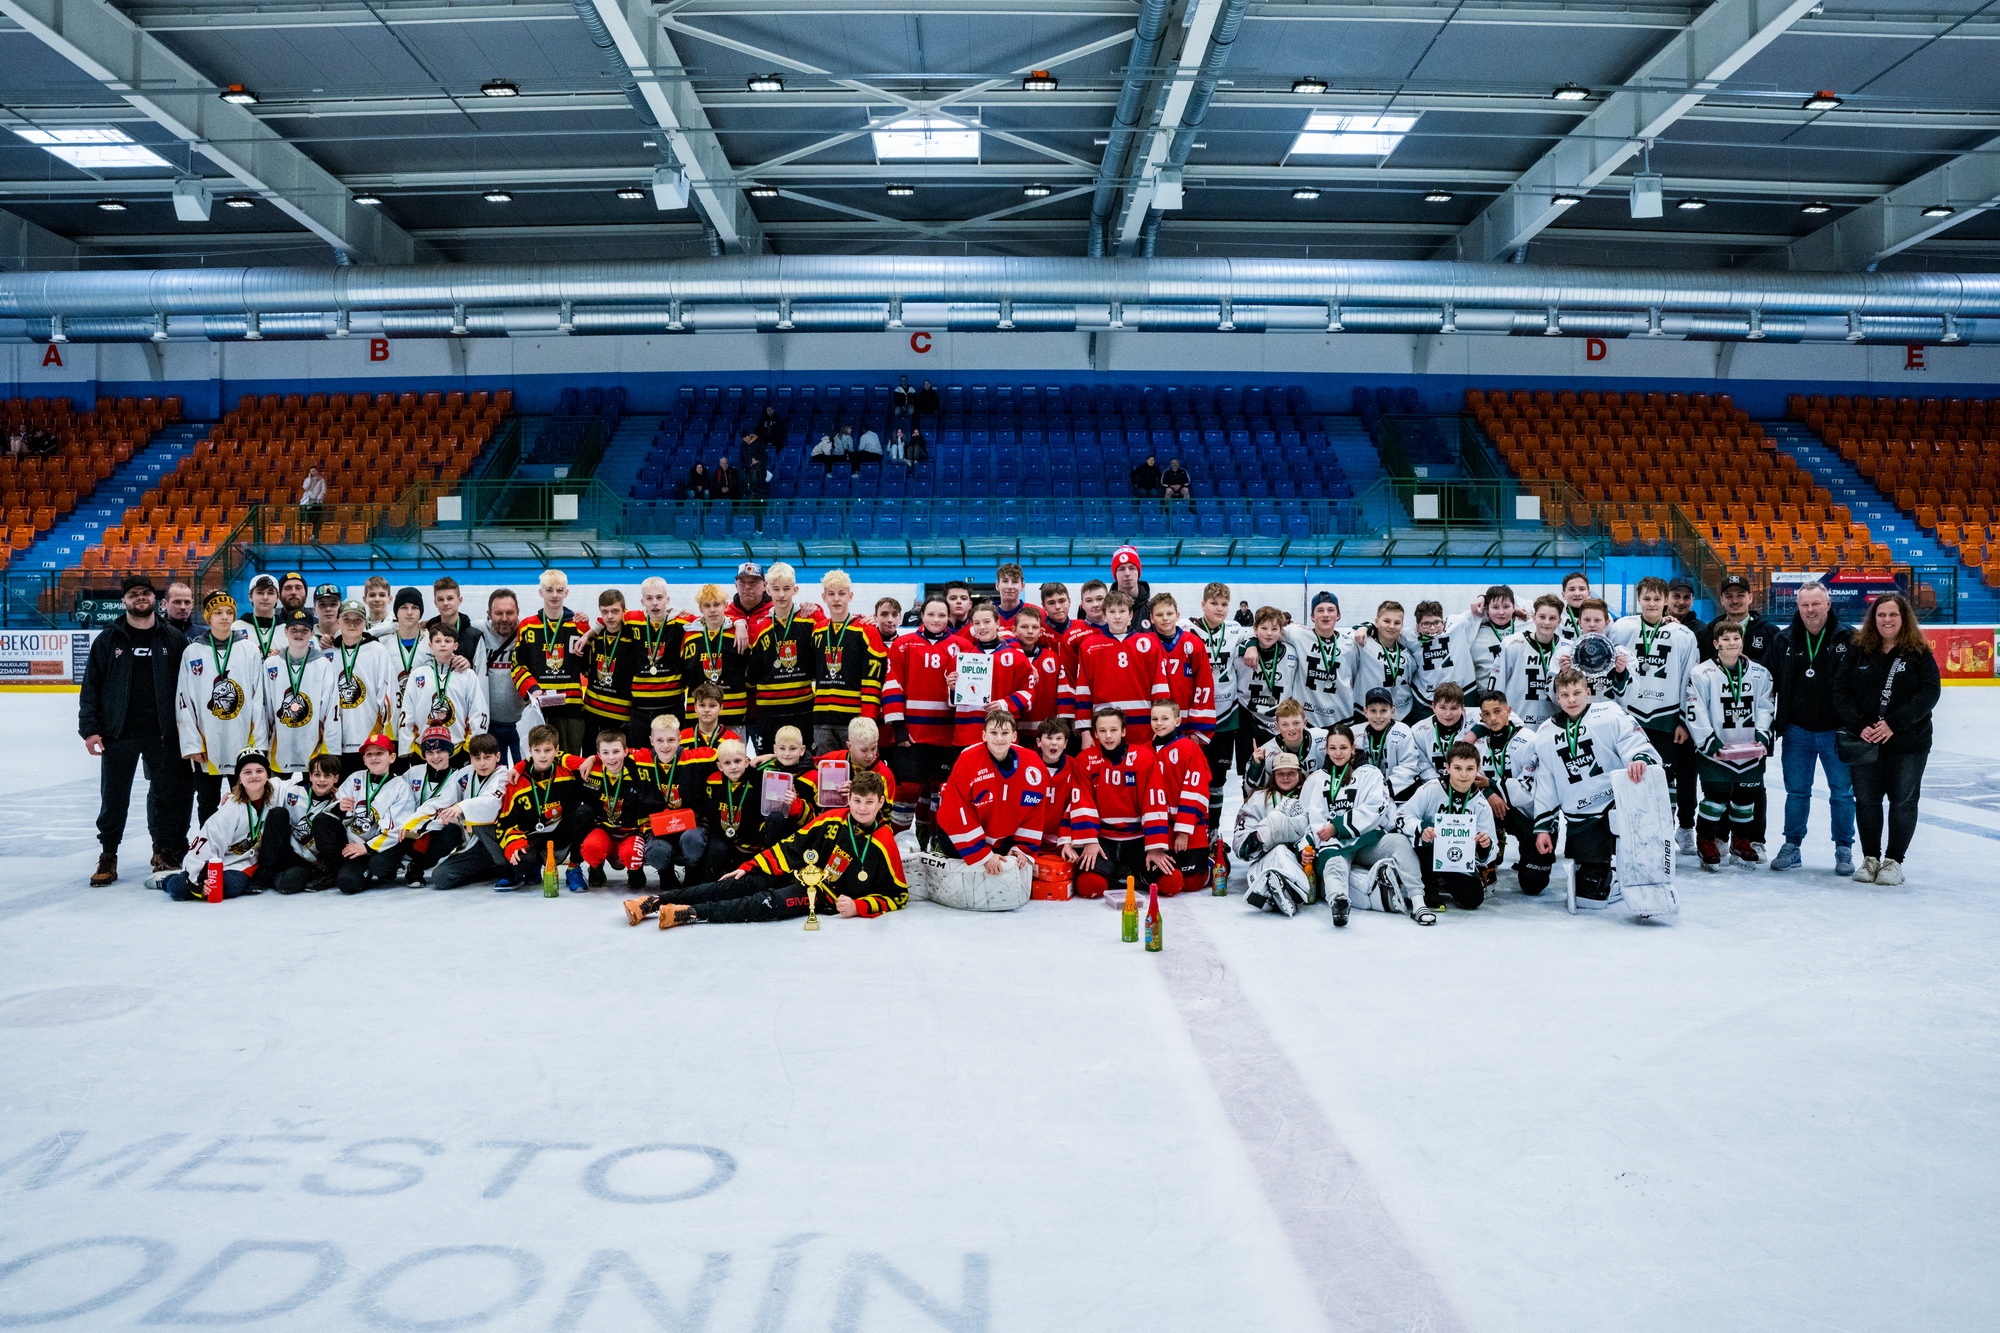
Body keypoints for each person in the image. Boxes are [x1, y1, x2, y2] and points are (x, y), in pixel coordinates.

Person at [624, 771, 906, 928]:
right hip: (795, 872)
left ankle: (688, 913)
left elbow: (898, 895)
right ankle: (655, 901)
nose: (862, 808)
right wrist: (750, 866)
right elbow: (792, 845)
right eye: (857, 801)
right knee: (733, 884)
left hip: (819, 895)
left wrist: (859, 906)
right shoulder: (833, 818)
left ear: (881, 802)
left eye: (869, 802)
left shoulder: (884, 841)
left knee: (764, 904)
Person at [80, 573, 193, 884]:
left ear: (155, 599)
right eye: (134, 594)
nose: (140, 598)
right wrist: (89, 729)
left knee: (165, 796)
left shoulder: (172, 638)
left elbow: (188, 688)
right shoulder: (108, 639)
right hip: (119, 734)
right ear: (124, 600)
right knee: (114, 797)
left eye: (145, 593)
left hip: (163, 734)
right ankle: (108, 855)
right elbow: (91, 686)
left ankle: (162, 852)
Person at [1529, 668, 1661, 912]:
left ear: (1588, 692)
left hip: (1616, 803)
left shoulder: (1609, 713)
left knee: (1632, 861)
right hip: (1580, 814)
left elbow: (1632, 740)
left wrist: (1639, 758)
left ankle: (1626, 872)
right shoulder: (1545, 733)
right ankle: (1601, 869)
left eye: (1577, 693)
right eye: (1565, 694)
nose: (1571, 699)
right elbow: (1546, 783)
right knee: (1590, 896)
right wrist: (1543, 828)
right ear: (1557, 698)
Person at [1835, 592, 1940, 886]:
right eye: (1881, 614)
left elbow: (1929, 693)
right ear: (1873, 618)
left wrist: (1893, 723)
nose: (1887, 620)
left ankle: (1894, 861)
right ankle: (1870, 859)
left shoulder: (1918, 651)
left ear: (1903, 618)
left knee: (1903, 801)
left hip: (1909, 742)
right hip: (1865, 741)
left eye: (1893, 614)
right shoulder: (1858, 649)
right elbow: (1841, 691)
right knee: (1866, 800)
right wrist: (1859, 726)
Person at [1766, 581, 1855, 875]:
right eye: (1804, 605)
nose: (1810, 610)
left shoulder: (1850, 638)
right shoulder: (1785, 639)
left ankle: (1844, 849)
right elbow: (1767, 681)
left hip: (1837, 733)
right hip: (1797, 730)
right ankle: (1792, 846)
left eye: (1816, 604)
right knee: (1797, 792)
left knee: (1842, 793)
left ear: (1828, 605)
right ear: (1798, 608)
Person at [1608, 576, 1701, 848]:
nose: (1651, 603)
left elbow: (1689, 678)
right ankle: (1628, 832)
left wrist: (1683, 720)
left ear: (1666, 602)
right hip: (1628, 714)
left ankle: (1664, 832)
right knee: (1627, 775)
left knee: (1664, 779)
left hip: (1665, 716)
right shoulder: (1622, 627)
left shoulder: (1683, 635)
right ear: (1639, 599)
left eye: (1657, 599)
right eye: (1646, 598)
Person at [1302, 724, 1421, 925]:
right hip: (1334, 844)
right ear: (1327, 749)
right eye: (1332, 748)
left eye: (1343, 747)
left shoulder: (1370, 773)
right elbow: (1310, 818)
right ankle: (1339, 903)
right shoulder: (1316, 779)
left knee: (1399, 842)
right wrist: (1306, 847)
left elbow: (1376, 807)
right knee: (1334, 863)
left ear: (1353, 748)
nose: (1338, 753)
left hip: (1367, 840)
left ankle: (1418, 901)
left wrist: (1337, 826)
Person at [1684, 621, 1776, 870]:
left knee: (1746, 799)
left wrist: (1763, 735)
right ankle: (1706, 840)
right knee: (1715, 798)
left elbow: (1766, 706)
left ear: (1742, 641)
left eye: (1736, 638)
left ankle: (1741, 841)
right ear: (1716, 644)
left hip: (1750, 750)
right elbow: (1695, 708)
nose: (1731, 643)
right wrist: (1708, 740)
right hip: (1716, 750)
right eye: (1725, 639)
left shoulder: (1759, 673)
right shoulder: (1701, 673)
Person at [932, 708, 1045, 911]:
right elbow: (955, 810)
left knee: (1009, 860)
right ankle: (941, 847)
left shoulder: (1033, 765)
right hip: (958, 835)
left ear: (1015, 736)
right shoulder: (968, 759)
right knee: (959, 851)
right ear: (984, 735)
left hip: (999, 837)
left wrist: (1022, 848)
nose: (999, 739)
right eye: (993, 733)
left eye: (1005, 733)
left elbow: (1034, 809)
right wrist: (982, 854)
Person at [176, 591, 268, 824]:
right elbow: (183, 700)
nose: (224, 617)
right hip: (208, 743)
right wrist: (192, 743)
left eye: (229, 612)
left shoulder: (248, 649)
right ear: (208, 617)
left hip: (242, 740)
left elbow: (259, 697)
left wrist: (257, 740)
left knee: (247, 798)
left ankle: (246, 848)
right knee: (207, 801)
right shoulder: (193, 652)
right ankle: (209, 852)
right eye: (218, 613)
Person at [146, 752, 282, 901]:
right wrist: (197, 878)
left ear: (267, 775)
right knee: (183, 890)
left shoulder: (276, 792)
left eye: (259, 771)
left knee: (230, 887)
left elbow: (303, 788)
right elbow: (206, 844)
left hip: (245, 863)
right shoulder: (231, 810)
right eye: (247, 772)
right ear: (240, 779)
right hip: (222, 861)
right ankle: (167, 880)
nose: (254, 776)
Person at [1061, 706, 1160, 899]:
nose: (1108, 736)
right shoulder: (1085, 760)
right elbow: (1082, 801)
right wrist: (1089, 840)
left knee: (1171, 883)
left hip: (1137, 838)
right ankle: (1122, 874)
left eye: (1113, 730)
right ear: (1095, 733)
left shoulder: (1144, 758)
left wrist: (1155, 846)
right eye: (1103, 731)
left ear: (1123, 731)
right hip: (1103, 839)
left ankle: (1130, 873)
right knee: (1090, 887)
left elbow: (1154, 802)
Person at [882, 595, 959, 835]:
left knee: (937, 791)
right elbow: (892, 685)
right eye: (931, 614)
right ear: (922, 616)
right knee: (908, 789)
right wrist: (898, 728)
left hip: (947, 735)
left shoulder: (961, 646)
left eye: (942, 615)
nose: (936, 620)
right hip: (913, 734)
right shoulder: (903, 644)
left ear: (949, 617)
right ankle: (896, 841)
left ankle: (930, 840)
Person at [1403, 741, 1500, 910]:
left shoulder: (1481, 805)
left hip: (1457, 859)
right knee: (1425, 837)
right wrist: (1421, 828)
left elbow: (1493, 850)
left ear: (1478, 769)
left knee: (1473, 899)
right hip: (1426, 853)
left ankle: (1443, 880)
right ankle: (1428, 885)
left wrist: (1486, 845)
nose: (1463, 774)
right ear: (1447, 767)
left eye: (1470, 769)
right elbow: (1402, 816)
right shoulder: (1431, 788)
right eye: (1457, 768)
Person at [414, 735, 517, 892]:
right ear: (471, 758)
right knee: (440, 878)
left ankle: (507, 869)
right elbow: (442, 799)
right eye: (477, 758)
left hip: (499, 841)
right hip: (476, 846)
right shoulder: (464, 774)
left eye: (487, 757)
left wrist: (462, 807)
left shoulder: (504, 776)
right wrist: (413, 821)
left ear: (497, 756)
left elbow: (491, 802)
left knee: (478, 823)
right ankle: (488, 870)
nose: (482, 763)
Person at [1472, 689, 1549, 895]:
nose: (1493, 718)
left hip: (1527, 814)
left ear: (1509, 711)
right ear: (1481, 717)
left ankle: (1528, 848)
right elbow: (1470, 781)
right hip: (1493, 807)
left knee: (1533, 884)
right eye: (1486, 714)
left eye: (1497, 711)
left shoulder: (1529, 740)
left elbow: (1526, 791)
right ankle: (1488, 856)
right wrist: (1490, 794)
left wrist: (1490, 783)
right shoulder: (1478, 744)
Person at [493, 724, 587, 891]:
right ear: (530, 750)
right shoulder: (515, 781)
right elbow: (505, 823)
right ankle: (532, 867)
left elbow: (599, 763)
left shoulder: (568, 773)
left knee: (585, 812)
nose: (543, 756)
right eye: (537, 750)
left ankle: (574, 868)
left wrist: (592, 758)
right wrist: (514, 843)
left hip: (561, 834)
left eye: (548, 750)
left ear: (557, 750)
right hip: (532, 836)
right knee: (521, 861)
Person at [571, 728, 666, 891]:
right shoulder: (590, 770)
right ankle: (596, 869)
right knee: (590, 848)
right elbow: (557, 757)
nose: (611, 757)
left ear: (626, 752)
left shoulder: (637, 770)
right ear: (599, 754)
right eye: (605, 753)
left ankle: (635, 871)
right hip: (604, 831)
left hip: (630, 832)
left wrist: (594, 757)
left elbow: (650, 752)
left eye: (616, 751)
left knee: (631, 854)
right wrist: (519, 768)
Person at [512, 568, 590, 754]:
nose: (554, 595)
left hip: (571, 708)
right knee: (539, 762)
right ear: (540, 592)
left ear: (566, 592)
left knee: (569, 763)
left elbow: (590, 666)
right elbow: (517, 666)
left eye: (559, 590)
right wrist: (532, 689)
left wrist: (587, 629)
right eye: (549, 590)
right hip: (540, 708)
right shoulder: (528, 626)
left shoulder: (578, 625)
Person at [747, 563, 823, 751]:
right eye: (776, 589)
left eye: (786, 589)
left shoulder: (809, 619)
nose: (781, 594)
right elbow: (753, 671)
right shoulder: (760, 627)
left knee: (803, 761)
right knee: (768, 762)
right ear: (767, 589)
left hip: (802, 707)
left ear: (795, 590)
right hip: (768, 710)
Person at [330, 733, 418, 894]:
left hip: (378, 846)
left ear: (392, 757)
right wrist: (339, 806)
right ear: (364, 760)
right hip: (354, 844)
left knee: (379, 867)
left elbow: (397, 828)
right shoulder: (355, 778)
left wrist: (367, 847)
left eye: (379, 753)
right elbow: (336, 805)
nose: (374, 758)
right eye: (369, 754)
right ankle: (338, 867)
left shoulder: (400, 787)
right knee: (347, 884)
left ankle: (382, 865)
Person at [810, 570, 887, 753]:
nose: (836, 599)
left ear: (850, 596)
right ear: (824, 597)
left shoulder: (866, 631)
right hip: (822, 718)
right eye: (831, 594)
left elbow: (874, 679)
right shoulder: (818, 631)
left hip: (854, 719)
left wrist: (867, 718)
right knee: (827, 774)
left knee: (859, 774)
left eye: (842, 593)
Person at [1234, 751, 1314, 914]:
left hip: (1303, 861)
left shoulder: (1310, 796)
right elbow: (1241, 844)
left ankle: (1276, 891)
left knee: (1283, 851)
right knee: (1279, 850)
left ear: (1299, 774)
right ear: (1273, 775)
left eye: (1291, 773)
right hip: (1265, 859)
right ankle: (1280, 890)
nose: (1286, 777)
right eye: (1281, 773)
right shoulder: (1259, 798)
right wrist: (1261, 837)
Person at [1145, 699, 1213, 894]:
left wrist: (1183, 830)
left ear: (1177, 721)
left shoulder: (1189, 749)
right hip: (1159, 829)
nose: (1159, 723)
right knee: (1169, 883)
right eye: (1154, 718)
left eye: (1165, 718)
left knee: (1192, 884)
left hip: (1189, 829)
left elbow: (1196, 790)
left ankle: (1212, 858)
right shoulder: (1144, 751)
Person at [1069, 590, 1160, 731]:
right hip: (1104, 726)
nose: (1117, 616)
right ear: (1104, 616)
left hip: (1144, 725)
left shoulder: (1149, 643)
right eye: (1112, 612)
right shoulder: (1089, 645)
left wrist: (1160, 723)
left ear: (1130, 615)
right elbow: (1083, 689)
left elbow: (1159, 686)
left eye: (1122, 611)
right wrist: (1085, 729)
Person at [263, 606, 338, 778]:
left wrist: (329, 748)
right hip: (279, 746)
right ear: (285, 631)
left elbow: (330, 708)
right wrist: (261, 744)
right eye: (294, 629)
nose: (299, 634)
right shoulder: (271, 664)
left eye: (304, 630)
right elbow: (264, 707)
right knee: (278, 799)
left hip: (313, 746)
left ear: (312, 634)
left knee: (310, 798)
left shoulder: (323, 664)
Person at [399, 622, 489, 757]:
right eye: (437, 641)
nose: (442, 644)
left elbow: (478, 711)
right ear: (430, 646)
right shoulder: (418, 674)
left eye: (447, 641)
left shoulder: (467, 675)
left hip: (457, 747)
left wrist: (472, 746)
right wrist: (406, 748)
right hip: (424, 748)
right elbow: (407, 711)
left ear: (455, 645)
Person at [329, 600, 397, 775]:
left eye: (357, 620)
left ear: (365, 623)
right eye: (346, 619)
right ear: (338, 622)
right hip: (336, 742)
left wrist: (389, 737)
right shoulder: (328, 655)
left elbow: (388, 696)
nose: (352, 624)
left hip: (369, 741)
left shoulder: (377, 651)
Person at [1281, 591, 1357, 728]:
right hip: (1307, 719)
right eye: (1320, 610)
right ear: (1312, 616)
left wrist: (1366, 627)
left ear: (1338, 615)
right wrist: (1251, 645)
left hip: (1342, 717)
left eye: (1331, 610)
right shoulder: (1297, 634)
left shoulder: (1351, 643)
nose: (1326, 615)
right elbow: (1265, 629)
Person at [680, 583, 750, 728]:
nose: (712, 610)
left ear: (726, 605)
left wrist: (740, 623)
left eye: (716, 604)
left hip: (733, 714)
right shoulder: (689, 636)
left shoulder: (738, 634)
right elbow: (684, 673)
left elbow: (749, 670)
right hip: (698, 718)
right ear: (700, 609)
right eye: (707, 605)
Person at [1495, 594, 1564, 726]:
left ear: (1559, 621)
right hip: (1518, 724)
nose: (1547, 622)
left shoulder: (1567, 649)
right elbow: (1496, 690)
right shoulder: (1512, 644)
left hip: (1555, 726)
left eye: (1552, 618)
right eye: (1542, 617)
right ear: (1534, 618)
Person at [480, 589, 525, 763]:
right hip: (490, 724)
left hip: (522, 723)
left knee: (524, 777)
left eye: (510, 613)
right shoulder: (478, 629)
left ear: (518, 613)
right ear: (489, 614)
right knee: (495, 778)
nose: (504, 618)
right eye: (498, 613)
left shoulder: (528, 630)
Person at [300, 466, 326, 540]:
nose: (313, 472)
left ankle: (315, 535)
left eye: (315, 471)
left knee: (316, 519)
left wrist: (318, 498)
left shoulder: (321, 480)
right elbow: (306, 488)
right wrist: (310, 480)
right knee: (309, 519)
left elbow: (323, 490)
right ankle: (308, 535)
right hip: (309, 502)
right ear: (310, 472)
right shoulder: (307, 479)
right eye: (312, 471)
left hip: (317, 502)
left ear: (317, 471)